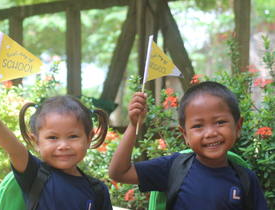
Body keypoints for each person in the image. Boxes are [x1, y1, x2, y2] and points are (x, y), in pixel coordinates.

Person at [108, 81, 269, 209]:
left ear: (237, 127)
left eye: (220, 122)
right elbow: (119, 173)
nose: (210, 133)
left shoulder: (246, 179)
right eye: (198, 126)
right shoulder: (172, 168)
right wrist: (132, 125)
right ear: (185, 134)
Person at [0, 91, 112, 210]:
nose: (63, 145)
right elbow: (15, 149)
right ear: (36, 142)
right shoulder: (34, 174)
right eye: (53, 137)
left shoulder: (98, 191)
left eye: (73, 136)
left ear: (89, 139)